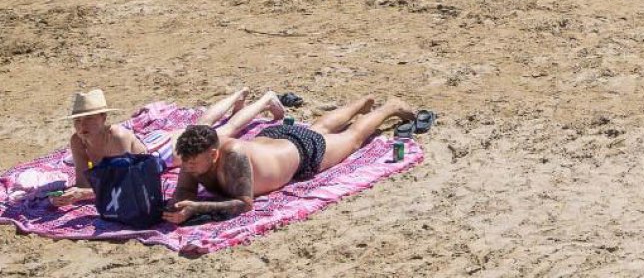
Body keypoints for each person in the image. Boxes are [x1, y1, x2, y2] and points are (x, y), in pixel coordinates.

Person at [165, 95, 416, 223]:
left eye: (194, 163)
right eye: (187, 162)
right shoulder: (193, 155)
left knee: (352, 138)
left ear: (213, 154)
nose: (188, 167)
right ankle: (361, 103)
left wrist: (199, 207)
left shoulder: (233, 156)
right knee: (319, 127)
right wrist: (176, 207)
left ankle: (390, 107)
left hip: (301, 151)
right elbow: (185, 190)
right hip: (273, 140)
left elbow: (244, 203)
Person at [48, 88, 284, 210]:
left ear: (103, 118)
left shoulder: (117, 136)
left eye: (88, 119)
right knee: (200, 124)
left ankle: (265, 100)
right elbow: (82, 181)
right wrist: (70, 196)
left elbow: (128, 184)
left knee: (221, 131)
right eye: (78, 121)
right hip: (151, 141)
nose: (82, 126)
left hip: (161, 152)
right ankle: (238, 95)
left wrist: (85, 194)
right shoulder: (77, 141)